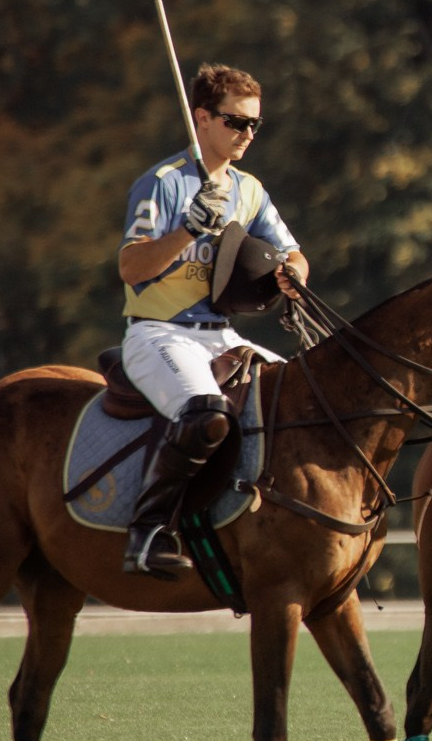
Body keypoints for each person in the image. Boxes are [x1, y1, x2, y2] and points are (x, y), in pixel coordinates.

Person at [117, 63, 308, 576]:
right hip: (158, 331)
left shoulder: (250, 191)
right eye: (236, 122)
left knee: (308, 392)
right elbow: (131, 268)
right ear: (201, 117)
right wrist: (186, 232)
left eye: (254, 125)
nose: (247, 134)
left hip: (222, 335)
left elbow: (294, 253)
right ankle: (149, 531)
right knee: (206, 413)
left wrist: (292, 274)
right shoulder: (163, 183)